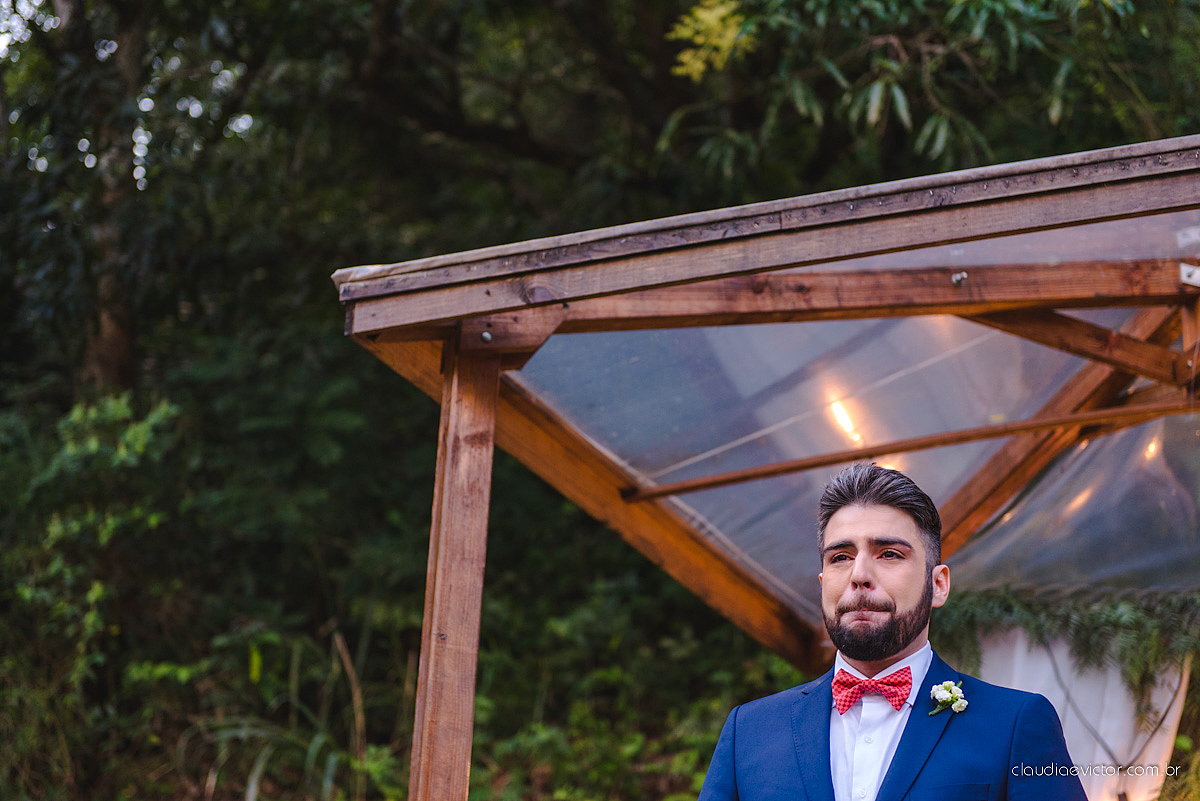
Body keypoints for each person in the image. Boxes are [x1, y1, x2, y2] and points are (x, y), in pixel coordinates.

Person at [697, 463, 1086, 801]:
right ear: (822, 581)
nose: (859, 575)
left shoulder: (1017, 724)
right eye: (840, 558)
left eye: (889, 554)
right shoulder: (748, 732)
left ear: (938, 585)